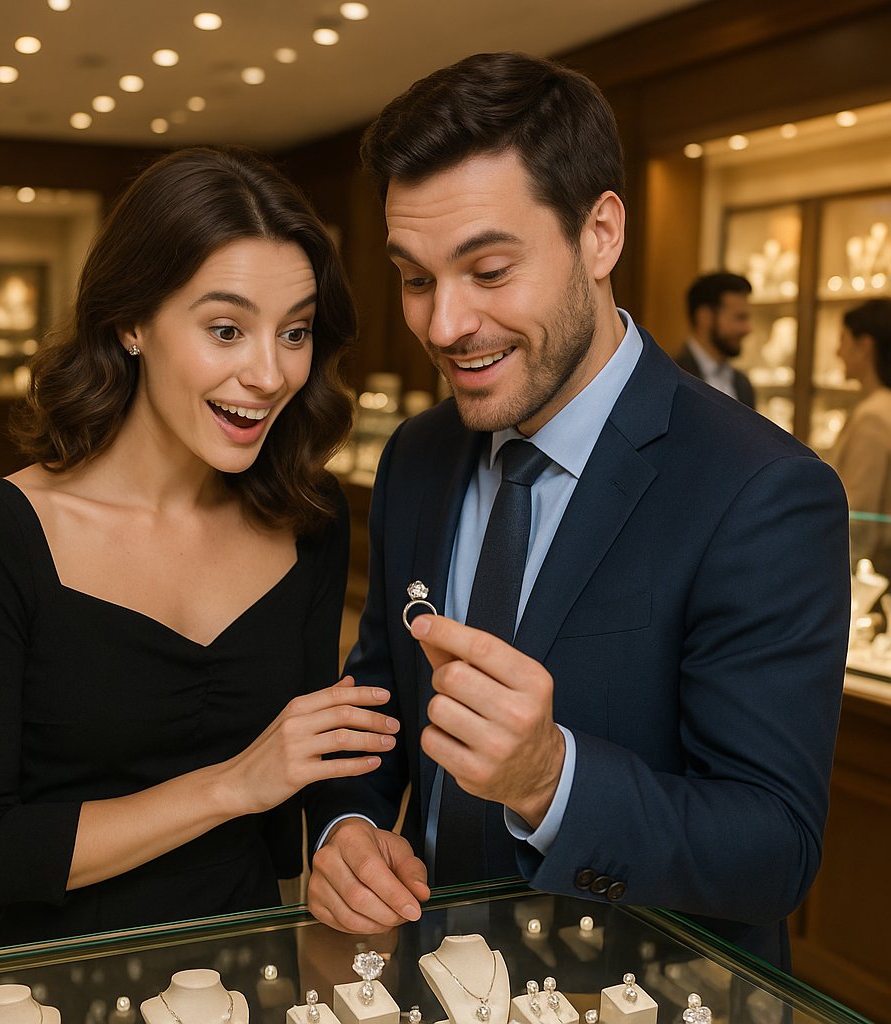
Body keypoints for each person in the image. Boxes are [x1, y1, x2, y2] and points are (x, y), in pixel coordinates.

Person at [304, 52, 850, 970]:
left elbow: (773, 853)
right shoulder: (418, 455)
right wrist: (343, 828)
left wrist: (554, 781)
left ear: (600, 235)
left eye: (488, 269)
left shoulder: (760, 489)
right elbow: (378, 702)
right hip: (427, 972)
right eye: (416, 279)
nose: (444, 325)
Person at [0, 146, 401, 947]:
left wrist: (345, 836)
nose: (270, 373)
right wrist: (231, 785)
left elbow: (299, 802)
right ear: (131, 322)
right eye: (225, 329)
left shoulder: (308, 524)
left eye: (296, 333)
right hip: (58, 983)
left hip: (250, 972)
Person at [829, 298, 891, 573]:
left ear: (865, 346)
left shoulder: (874, 415)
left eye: (843, 340)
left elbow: (858, 516)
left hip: (872, 571)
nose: (837, 351)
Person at [674, 271, 756, 407]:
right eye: (739, 318)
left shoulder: (743, 384)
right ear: (705, 317)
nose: (747, 329)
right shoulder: (671, 376)